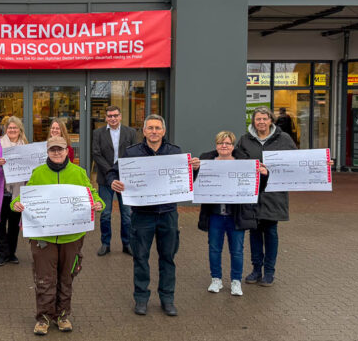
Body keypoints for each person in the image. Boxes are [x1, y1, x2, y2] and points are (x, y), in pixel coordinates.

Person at [107, 114, 200, 316]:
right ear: (144, 131)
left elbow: (185, 180)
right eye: (150, 128)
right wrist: (113, 181)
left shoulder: (175, 152)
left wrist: (195, 170)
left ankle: (167, 299)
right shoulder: (132, 153)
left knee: (168, 258)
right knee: (140, 258)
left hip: (168, 214)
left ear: (163, 131)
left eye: (158, 128)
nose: (154, 131)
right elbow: (113, 172)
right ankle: (141, 299)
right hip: (142, 215)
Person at [11, 136, 104, 336]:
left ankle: (62, 316)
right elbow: (24, 197)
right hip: (44, 237)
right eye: (53, 149)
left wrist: (99, 204)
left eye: (60, 149)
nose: (56, 153)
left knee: (66, 278)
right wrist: (15, 204)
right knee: (44, 279)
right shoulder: (38, 173)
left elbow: (92, 194)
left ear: (67, 150)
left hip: (72, 237)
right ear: (47, 152)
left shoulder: (79, 173)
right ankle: (44, 318)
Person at [195, 131, 268, 297]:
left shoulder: (244, 163)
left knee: (237, 250)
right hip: (214, 215)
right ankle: (216, 279)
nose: (224, 146)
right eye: (220, 143)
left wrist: (264, 175)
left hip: (236, 215)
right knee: (214, 249)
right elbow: (194, 182)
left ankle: (236, 281)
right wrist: (194, 170)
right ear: (216, 145)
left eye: (227, 143)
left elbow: (257, 187)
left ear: (233, 146)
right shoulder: (206, 162)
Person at [235, 106, 296, 287]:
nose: (261, 122)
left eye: (265, 118)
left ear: (271, 120)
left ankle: (269, 271)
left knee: (270, 232)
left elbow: (297, 161)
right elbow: (236, 161)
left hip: (273, 194)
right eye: (258, 119)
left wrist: (322, 164)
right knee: (254, 232)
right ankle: (256, 269)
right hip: (252, 194)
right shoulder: (245, 140)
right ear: (253, 121)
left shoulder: (284, 139)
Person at [92, 105, 136, 256]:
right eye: (110, 116)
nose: (113, 118)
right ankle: (105, 243)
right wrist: (111, 171)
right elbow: (96, 154)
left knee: (127, 214)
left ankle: (127, 243)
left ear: (120, 116)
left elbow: (133, 153)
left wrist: (121, 170)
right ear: (106, 118)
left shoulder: (131, 132)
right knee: (105, 213)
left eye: (115, 115)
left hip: (125, 180)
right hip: (105, 179)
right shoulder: (98, 133)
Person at [0, 116, 27, 267]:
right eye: (10, 128)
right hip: (1, 192)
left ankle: (11, 253)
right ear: (6, 129)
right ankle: (2, 255)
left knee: (14, 225)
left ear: (20, 130)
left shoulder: (25, 146)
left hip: (17, 193)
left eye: (15, 128)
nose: (12, 130)